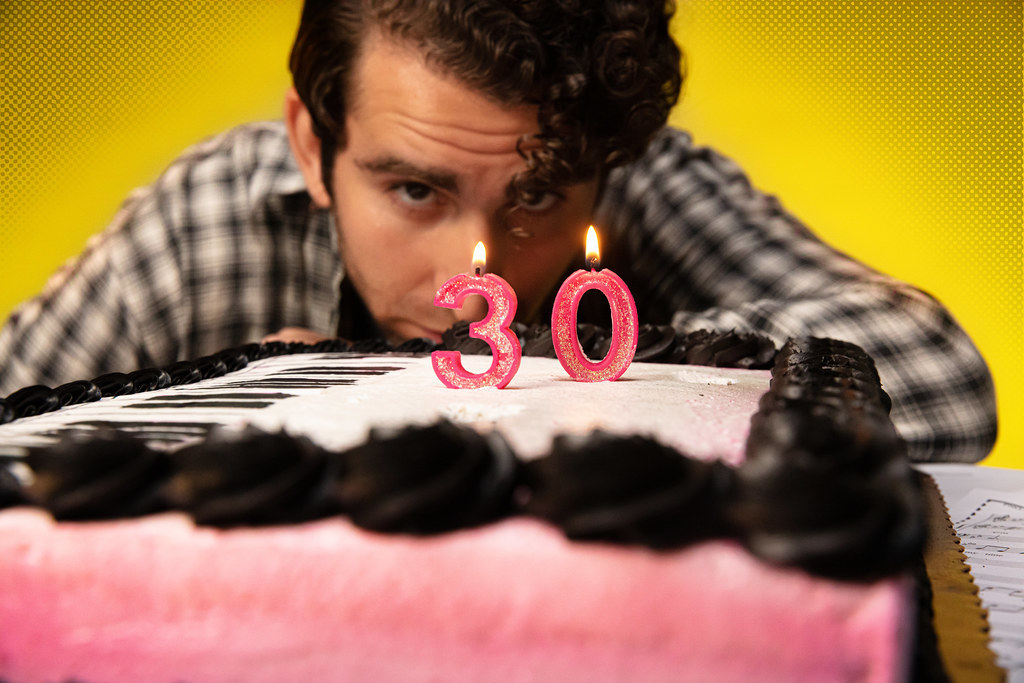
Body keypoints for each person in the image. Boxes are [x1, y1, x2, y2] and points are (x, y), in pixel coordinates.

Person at [0, 0, 997, 463]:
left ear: (603, 167)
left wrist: (616, 381)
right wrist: (223, 412)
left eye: (534, 198)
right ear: (311, 141)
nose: (469, 280)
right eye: (414, 191)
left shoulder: (641, 176)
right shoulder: (207, 218)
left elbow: (944, 376)